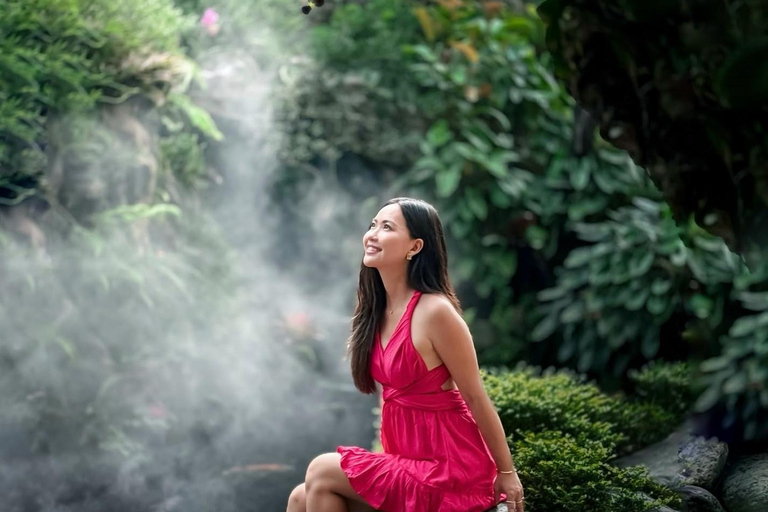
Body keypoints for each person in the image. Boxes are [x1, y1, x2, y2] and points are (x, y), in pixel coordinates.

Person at [287, 197, 525, 512]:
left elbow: (475, 396)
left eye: (387, 227)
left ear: (414, 247)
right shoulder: (377, 311)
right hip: (407, 460)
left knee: (322, 469)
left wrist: (507, 473)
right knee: (300, 497)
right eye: (372, 225)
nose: (372, 234)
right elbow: (390, 395)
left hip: (449, 468)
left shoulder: (435, 311)